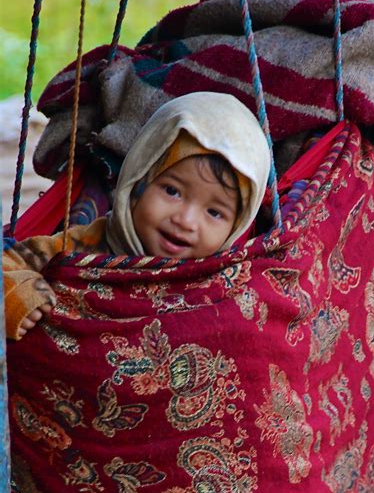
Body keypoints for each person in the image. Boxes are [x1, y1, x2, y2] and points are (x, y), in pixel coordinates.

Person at [4, 91, 270, 340]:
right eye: (172, 191)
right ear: (137, 180)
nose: (185, 221)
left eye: (214, 212)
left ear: (237, 224)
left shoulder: (230, 280)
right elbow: (8, 263)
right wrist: (19, 294)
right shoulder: (85, 245)